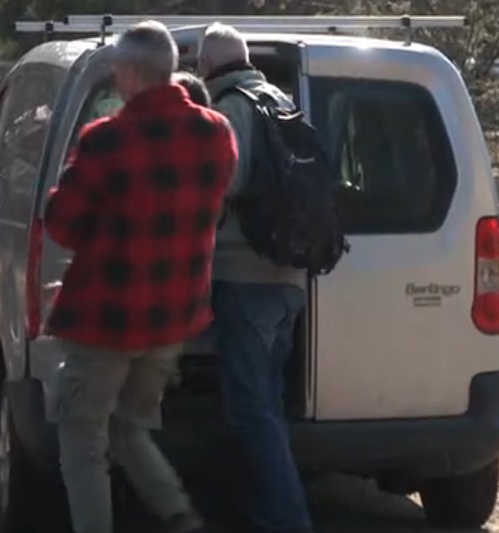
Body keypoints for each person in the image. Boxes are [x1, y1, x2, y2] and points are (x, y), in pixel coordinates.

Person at [43, 20, 238, 533]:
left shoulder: (106, 141)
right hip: (171, 319)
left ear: (130, 72)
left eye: (115, 68)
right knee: (130, 429)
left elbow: (62, 225)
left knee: (82, 439)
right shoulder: (217, 134)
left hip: (106, 320)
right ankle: (179, 516)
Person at [197, 22, 313, 533]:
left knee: (251, 407)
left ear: (204, 68)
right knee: (269, 401)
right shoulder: (283, 102)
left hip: (243, 275)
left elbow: (221, 187)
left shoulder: (230, 112)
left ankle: (284, 517)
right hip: (289, 274)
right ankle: (268, 502)